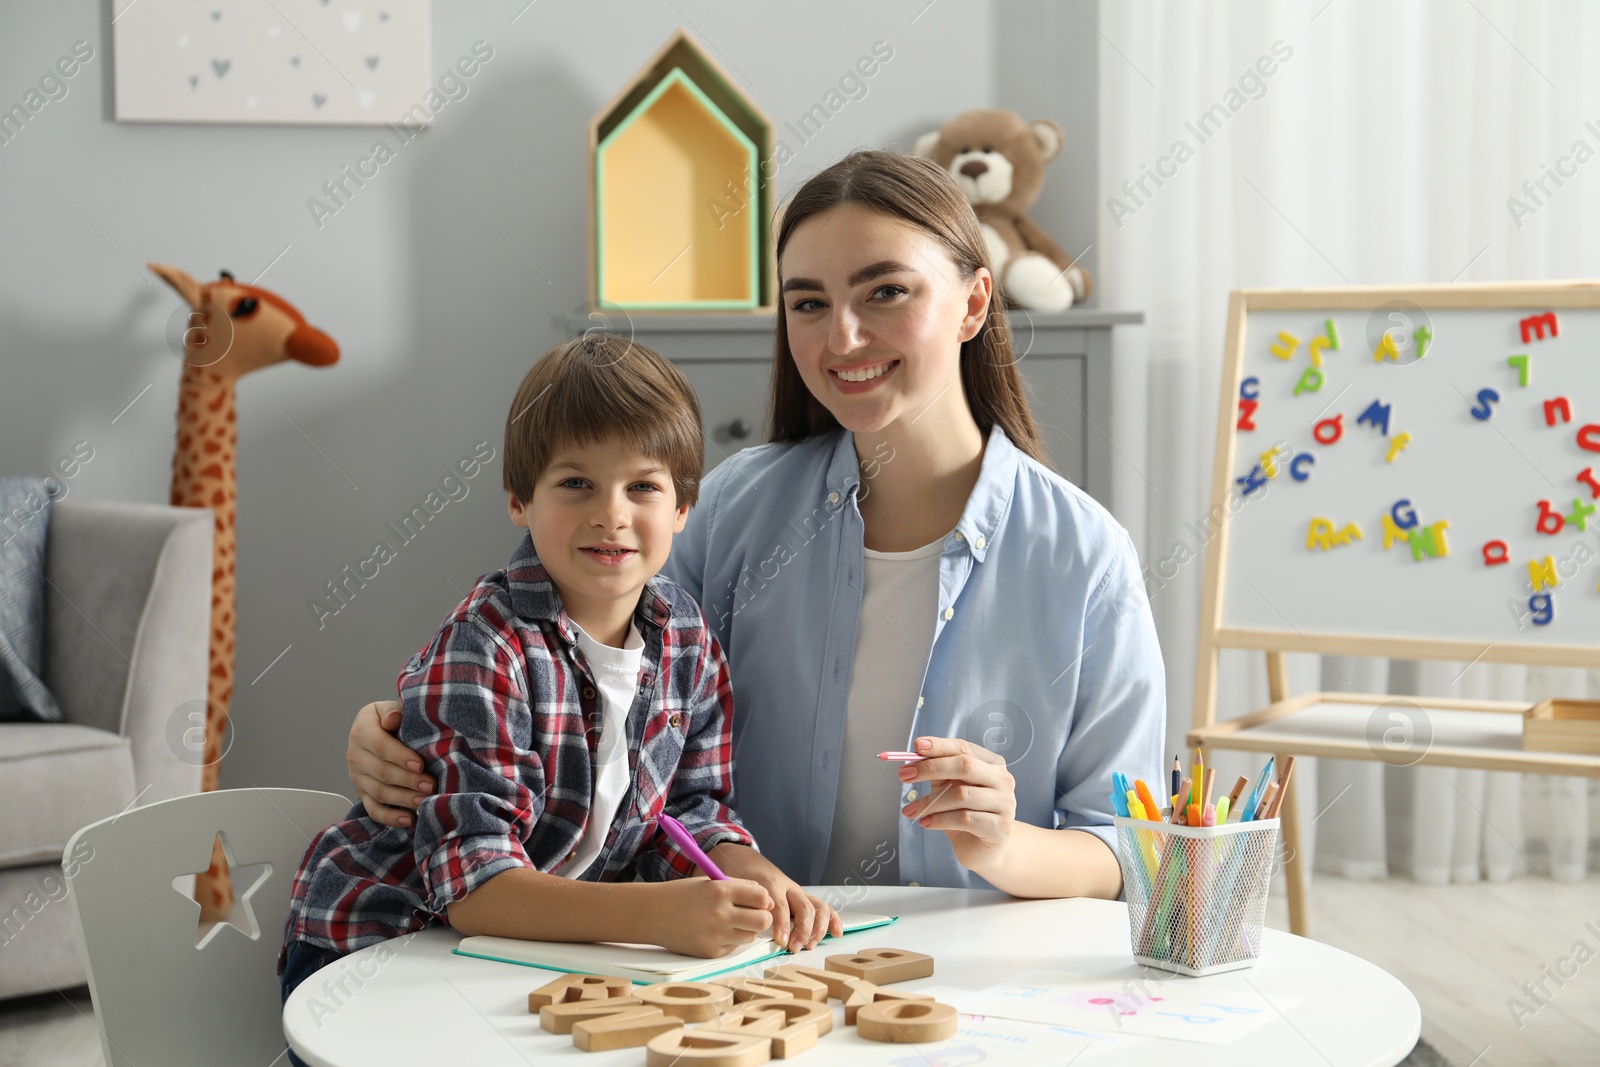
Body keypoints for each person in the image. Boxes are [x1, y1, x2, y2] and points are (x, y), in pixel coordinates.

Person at [345, 150, 1165, 935]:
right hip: (747, 966)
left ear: (975, 303)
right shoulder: (738, 507)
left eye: (885, 291)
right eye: (808, 303)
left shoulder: (1085, 557)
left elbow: (1129, 848)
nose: (842, 337)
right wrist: (397, 728)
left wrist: (1005, 843)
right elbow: (565, 671)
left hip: (967, 976)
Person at [279, 336, 841, 1040]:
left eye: (642, 486)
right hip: (379, 952)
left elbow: (689, 811)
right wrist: (657, 916)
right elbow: (476, 887)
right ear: (519, 500)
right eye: (576, 483)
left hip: (523, 954)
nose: (611, 512)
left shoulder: (688, 641)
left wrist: (756, 874)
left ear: (683, 508)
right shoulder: (486, 646)